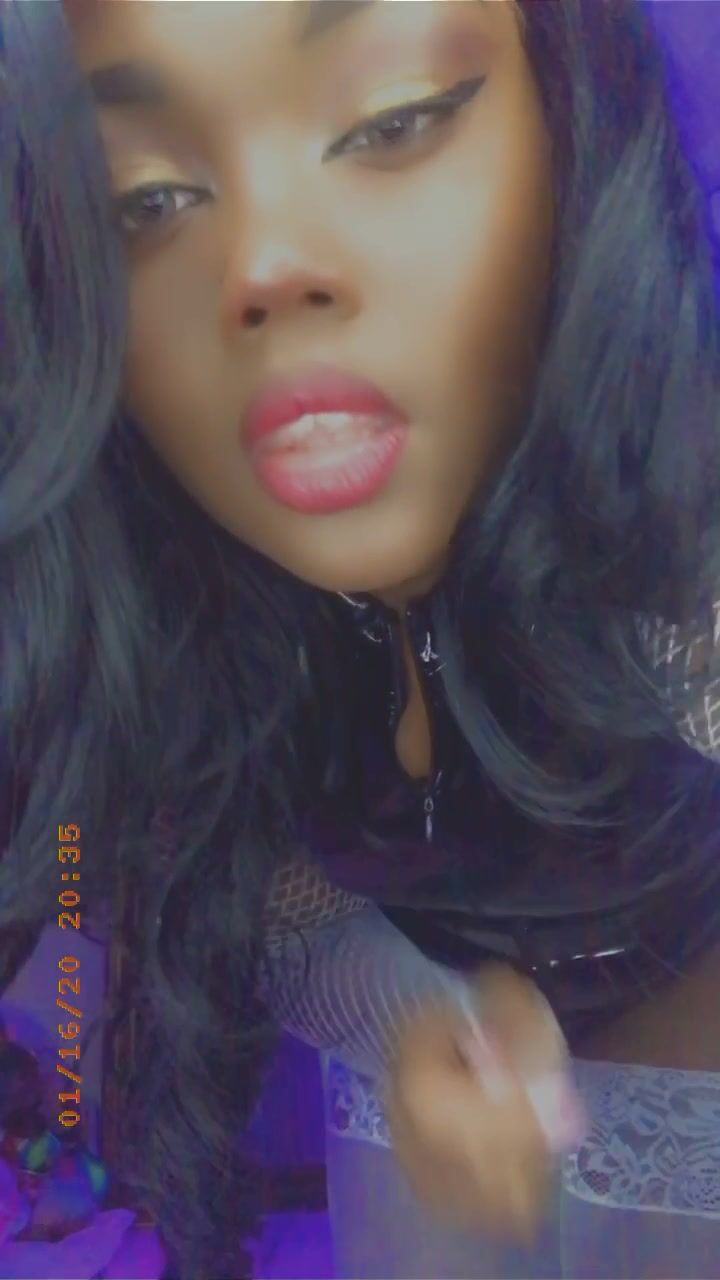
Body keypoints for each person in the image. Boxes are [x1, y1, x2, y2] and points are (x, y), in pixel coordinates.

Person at [1, 0, 719, 1276]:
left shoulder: (688, 571)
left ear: (575, 115)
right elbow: (275, 898)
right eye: (145, 200)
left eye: (395, 120)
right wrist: (422, 1017)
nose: (264, 265)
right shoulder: (216, 612)